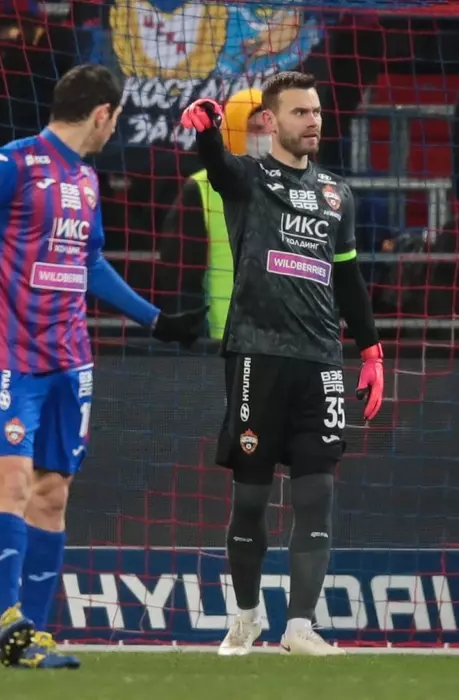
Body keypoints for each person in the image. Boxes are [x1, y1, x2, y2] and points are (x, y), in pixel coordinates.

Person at [0, 64, 206, 669]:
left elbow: (90, 263)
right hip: (11, 356)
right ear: (103, 113)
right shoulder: (11, 163)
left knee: (53, 495)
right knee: (12, 482)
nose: (114, 128)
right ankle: (10, 624)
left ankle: (36, 635)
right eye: (117, 118)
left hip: (71, 360)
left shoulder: (86, 178)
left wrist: (156, 320)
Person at [178, 70, 385, 657]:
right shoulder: (247, 177)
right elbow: (217, 166)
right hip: (256, 355)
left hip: (321, 362)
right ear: (270, 121)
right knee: (250, 499)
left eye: (316, 111)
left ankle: (299, 626)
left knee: (317, 494)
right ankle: (246, 617)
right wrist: (207, 131)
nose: (312, 121)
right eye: (300, 112)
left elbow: (348, 277)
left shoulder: (336, 193)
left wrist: (370, 350)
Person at [156, 87, 274, 333]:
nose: (265, 137)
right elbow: (180, 275)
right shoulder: (200, 188)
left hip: (284, 335)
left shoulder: (292, 185)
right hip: (223, 335)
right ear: (236, 129)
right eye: (256, 129)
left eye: (270, 129)